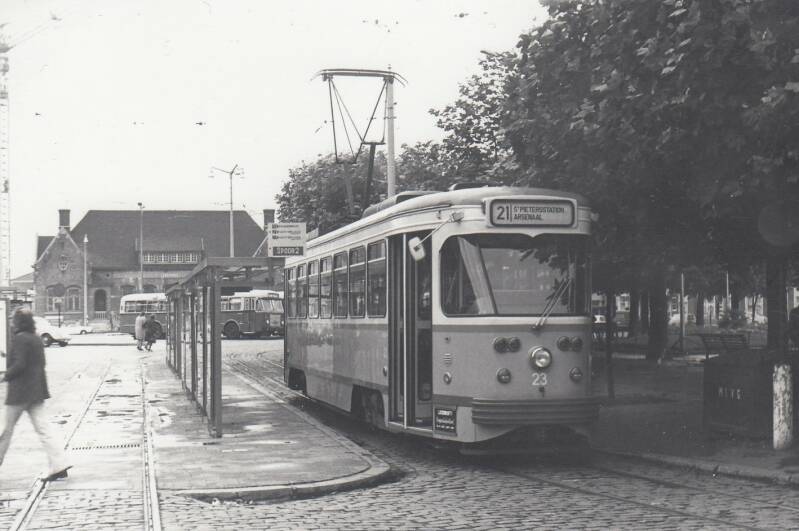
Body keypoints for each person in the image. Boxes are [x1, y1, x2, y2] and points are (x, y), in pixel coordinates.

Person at [0, 309, 71, 481]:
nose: (11, 323)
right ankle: (59, 464)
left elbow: (20, 364)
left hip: (19, 393)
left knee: (5, 430)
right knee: (44, 429)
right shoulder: (36, 338)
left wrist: (4, 376)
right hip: (36, 391)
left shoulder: (19, 339)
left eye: (13, 320)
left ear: (19, 322)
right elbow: (40, 363)